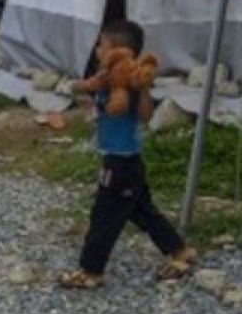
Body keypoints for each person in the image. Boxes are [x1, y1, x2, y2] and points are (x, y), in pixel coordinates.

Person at [58, 20, 196, 290]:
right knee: (142, 210)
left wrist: (143, 88)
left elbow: (146, 117)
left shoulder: (132, 85)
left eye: (102, 46)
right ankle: (179, 251)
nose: (97, 50)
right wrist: (89, 84)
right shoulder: (105, 81)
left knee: (104, 215)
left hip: (123, 161)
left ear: (119, 53)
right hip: (116, 158)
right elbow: (74, 89)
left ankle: (91, 270)